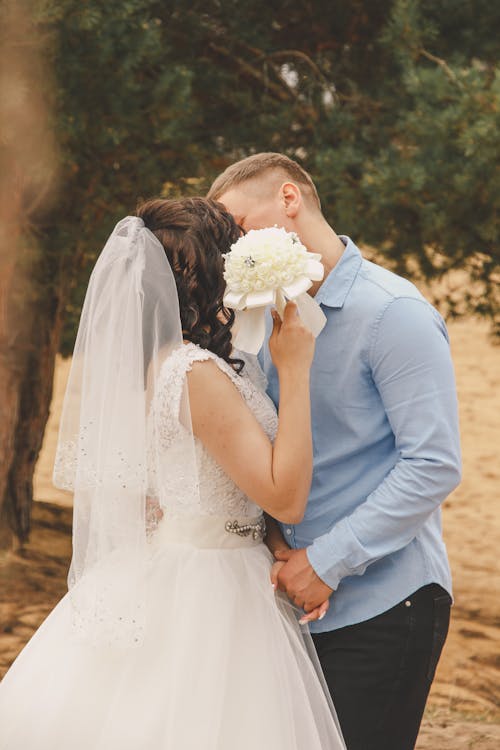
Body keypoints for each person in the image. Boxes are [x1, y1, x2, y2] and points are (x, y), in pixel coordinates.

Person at [0, 198, 345, 750]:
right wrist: (296, 369)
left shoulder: (162, 364)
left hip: (191, 559)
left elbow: (164, 496)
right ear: (211, 273)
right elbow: (286, 496)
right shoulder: (195, 372)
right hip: (212, 584)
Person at [209, 153, 462, 750]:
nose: (231, 249)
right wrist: (273, 542)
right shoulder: (253, 322)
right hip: (281, 605)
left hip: (385, 602)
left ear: (289, 200)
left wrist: (326, 563)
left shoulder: (394, 313)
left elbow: (433, 464)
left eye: (238, 227)